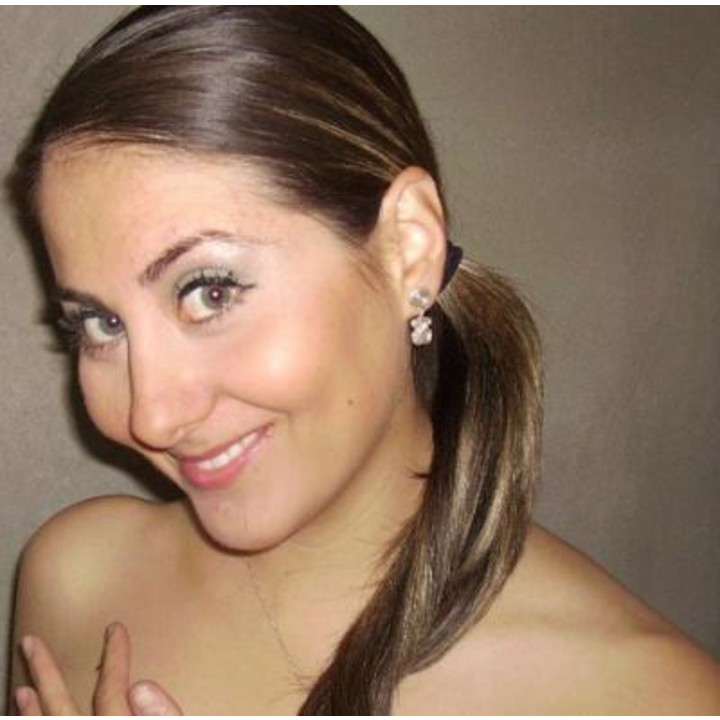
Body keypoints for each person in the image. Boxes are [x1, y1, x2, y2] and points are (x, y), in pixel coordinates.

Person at [8, 6, 719, 716]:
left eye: (210, 291)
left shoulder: (650, 698)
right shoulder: (75, 583)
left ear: (408, 247)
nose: (152, 415)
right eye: (100, 324)